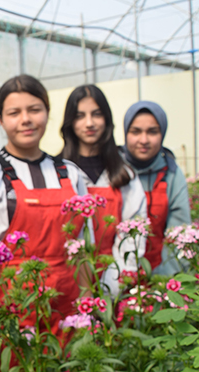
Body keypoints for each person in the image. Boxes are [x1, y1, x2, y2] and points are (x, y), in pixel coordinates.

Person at [0, 75, 92, 362]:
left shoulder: (70, 173)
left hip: (67, 309)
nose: (26, 120)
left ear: (47, 112)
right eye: (14, 113)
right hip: (11, 311)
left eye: (34, 110)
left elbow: (82, 249)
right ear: (0, 119)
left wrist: (88, 310)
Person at [59, 85, 147, 296]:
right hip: (66, 283)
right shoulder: (58, 172)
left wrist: (112, 286)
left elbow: (132, 237)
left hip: (114, 281)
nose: (89, 123)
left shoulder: (124, 175)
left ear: (107, 119)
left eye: (96, 114)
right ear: (70, 122)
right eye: (80, 116)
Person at [121, 101, 191, 275]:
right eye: (136, 131)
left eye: (152, 132)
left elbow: (178, 236)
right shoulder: (113, 170)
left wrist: (162, 285)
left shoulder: (171, 174)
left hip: (160, 275)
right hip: (115, 278)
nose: (143, 140)